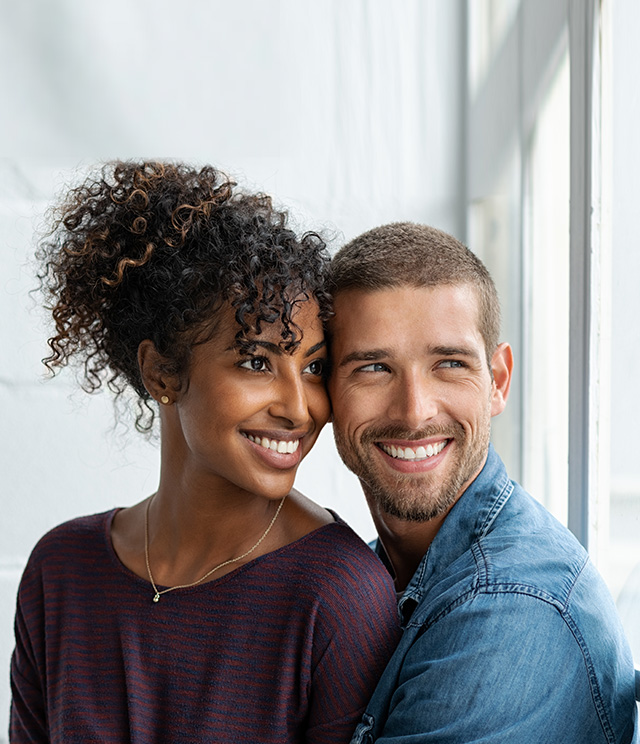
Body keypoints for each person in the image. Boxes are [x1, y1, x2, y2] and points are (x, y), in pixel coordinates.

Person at [9, 161, 400, 744]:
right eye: (256, 361)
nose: (300, 407)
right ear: (162, 372)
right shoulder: (60, 572)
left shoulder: (340, 598)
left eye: (313, 366)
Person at [327, 222, 638, 744]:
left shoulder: (511, 608)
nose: (414, 413)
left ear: (497, 380)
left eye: (449, 364)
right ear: (324, 388)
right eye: (374, 368)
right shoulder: (374, 570)